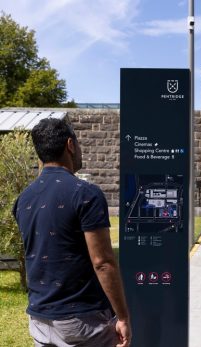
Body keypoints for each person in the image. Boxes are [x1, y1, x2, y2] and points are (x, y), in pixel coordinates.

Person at [13, 118, 131, 347]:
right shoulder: (86, 193)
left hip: (39, 319)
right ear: (70, 145)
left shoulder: (23, 199)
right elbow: (103, 262)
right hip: (83, 323)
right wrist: (123, 317)